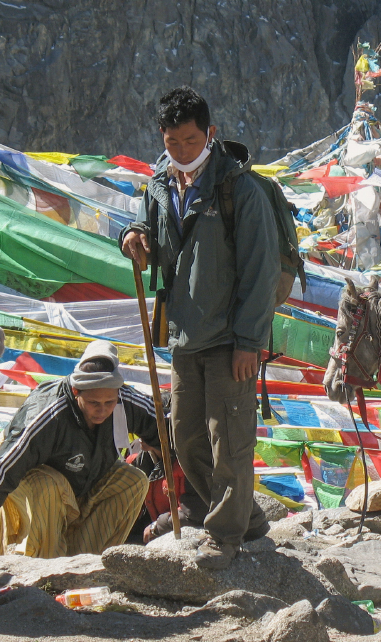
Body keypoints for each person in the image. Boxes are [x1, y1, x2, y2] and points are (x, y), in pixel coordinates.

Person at [119, 86, 279, 569]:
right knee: (185, 436)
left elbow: (261, 271)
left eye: (190, 140)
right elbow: (145, 225)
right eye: (172, 141)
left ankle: (224, 537)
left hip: (232, 337)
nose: (181, 150)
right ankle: (244, 516)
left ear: (210, 133)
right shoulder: (160, 186)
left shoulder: (239, 191)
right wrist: (133, 237)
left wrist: (251, 341)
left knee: (228, 439)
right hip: (184, 334)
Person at [0, 340, 154, 561]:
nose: (102, 411)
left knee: (133, 481)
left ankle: (85, 563)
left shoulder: (123, 400)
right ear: (76, 391)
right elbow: (4, 467)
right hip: (28, 477)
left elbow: (163, 420)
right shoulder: (48, 413)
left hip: (86, 480)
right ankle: (46, 568)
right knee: (49, 487)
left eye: (109, 403)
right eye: (93, 403)